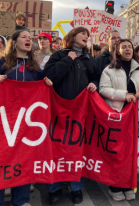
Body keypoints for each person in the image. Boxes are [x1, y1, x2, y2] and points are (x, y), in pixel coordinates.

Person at [0, 30, 52, 206]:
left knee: (23, 160)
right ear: (14, 42)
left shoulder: (35, 66)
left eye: (30, 38)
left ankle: (21, 200)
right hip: (2, 123)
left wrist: (47, 83)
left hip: (25, 124)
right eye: (24, 37)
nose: (28, 40)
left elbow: (42, 87)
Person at [42, 27, 101, 205]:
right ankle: (54, 188)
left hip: (81, 111)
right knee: (56, 150)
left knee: (77, 151)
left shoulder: (89, 58)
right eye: (83, 33)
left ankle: (76, 188)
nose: (87, 37)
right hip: (58, 110)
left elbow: (97, 77)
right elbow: (49, 75)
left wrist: (94, 83)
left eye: (88, 35)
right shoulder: (59, 55)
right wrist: (68, 59)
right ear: (73, 36)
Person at [99, 39, 139, 201]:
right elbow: (104, 89)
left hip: (135, 116)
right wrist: (124, 95)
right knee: (117, 152)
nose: (127, 49)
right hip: (117, 114)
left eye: (130, 47)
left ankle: (128, 184)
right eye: (124, 47)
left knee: (131, 152)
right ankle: (114, 185)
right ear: (118, 50)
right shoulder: (109, 69)